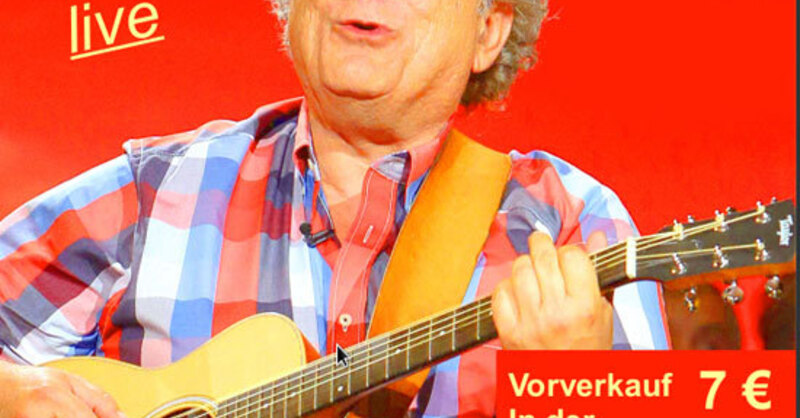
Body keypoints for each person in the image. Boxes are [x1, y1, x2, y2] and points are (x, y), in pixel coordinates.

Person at [0, 0, 669, 416]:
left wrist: (577, 389)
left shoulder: (572, 227)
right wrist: (14, 393)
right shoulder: (154, 191)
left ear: (488, 32)